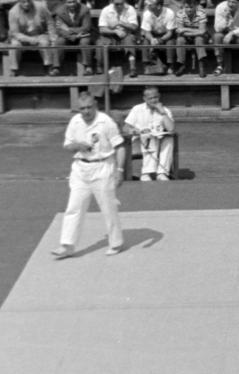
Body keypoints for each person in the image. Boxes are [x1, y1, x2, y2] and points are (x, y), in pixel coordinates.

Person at [50, 92, 125, 259]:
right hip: (80, 169)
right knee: (74, 207)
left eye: (89, 107)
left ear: (95, 105)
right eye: (82, 108)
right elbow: (67, 145)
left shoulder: (106, 122)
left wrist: (119, 171)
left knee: (108, 207)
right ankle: (67, 245)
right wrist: (78, 146)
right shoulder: (75, 121)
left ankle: (116, 242)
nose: (86, 111)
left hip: (103, 167)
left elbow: (120, 147)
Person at [121, 85, 175, 182]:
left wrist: (162, 112)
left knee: (169, 138)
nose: (154, 100)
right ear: (144, 99)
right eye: (150, 98)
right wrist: (139, 131)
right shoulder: (137, 109)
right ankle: (146, 173)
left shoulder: (165, 110)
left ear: (159, 96)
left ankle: (162, 173)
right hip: (137, 143)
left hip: (158, 142)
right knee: (149, 136)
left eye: (156, 97)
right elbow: (125, 128)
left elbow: (170, 128)